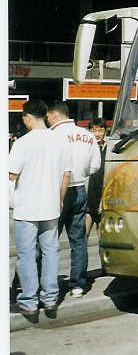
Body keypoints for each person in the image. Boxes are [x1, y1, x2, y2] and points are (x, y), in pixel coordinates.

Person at [9, 99, 72, 322]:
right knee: (50, 253)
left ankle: (29, 302)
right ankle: (51, 299)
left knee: (26, 255)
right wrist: (60, 200)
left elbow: (11, 175)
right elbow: (66, 175)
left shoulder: (22, 144)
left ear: (27, 117)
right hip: (51, 207)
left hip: (26, 208)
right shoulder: (60, 142)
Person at [46, 102, 102, 297]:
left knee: (49, 240)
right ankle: (78, 284)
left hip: (56, 191)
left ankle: (48, 285)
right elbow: (95, 166)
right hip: (80, 189)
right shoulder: (87, 136)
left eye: (48, 115)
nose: (47, 119)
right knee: (78, 240)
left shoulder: (51, 136)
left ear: (55, 114)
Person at [85, 118, 108, 241]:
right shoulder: (85, 148)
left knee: (102, 238)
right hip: (88, 197)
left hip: (103, 197)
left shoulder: (108, 148)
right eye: (94, 130)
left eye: (100, 130)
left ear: (105, 132)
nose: (97, 133)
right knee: (83, 235)